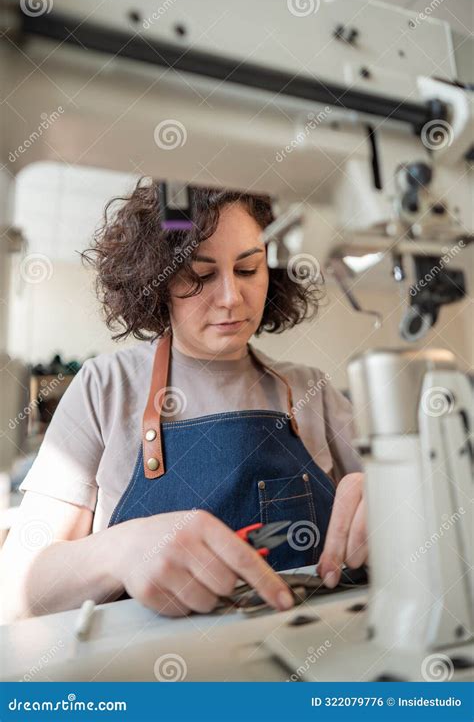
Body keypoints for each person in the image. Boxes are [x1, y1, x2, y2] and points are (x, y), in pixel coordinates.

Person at [0, 181, 367, 622]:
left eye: (249, 269)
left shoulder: (313, 391)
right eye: (201, 274)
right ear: (158, 281)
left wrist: (395, 505)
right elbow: (15, 592)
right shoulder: (105, 386)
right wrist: (119, 551)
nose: (232, 297)